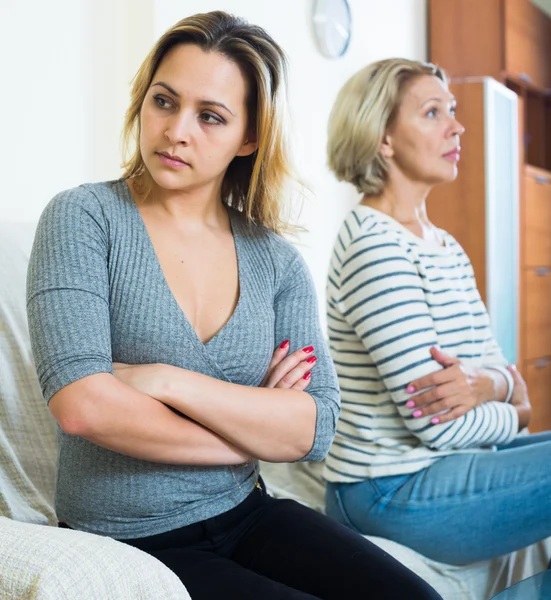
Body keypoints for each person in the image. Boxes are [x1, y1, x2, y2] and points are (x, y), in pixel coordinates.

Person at [26, 14, 442, 600]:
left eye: (210, 116)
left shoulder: (276, 260)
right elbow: (83, 406)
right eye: (164, 102)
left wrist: (167, 381)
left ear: (249, 137)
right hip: (126, 536)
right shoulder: (83, 218)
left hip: (246, 513)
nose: (176, 131)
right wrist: (253, 429)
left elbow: (314, 426)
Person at [323, 57, 551, 566]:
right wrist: (511, 408)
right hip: (386, 491)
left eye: (451, 110)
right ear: (383, 136)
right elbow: (438, 426)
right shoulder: (372, 246)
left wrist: (491, 388)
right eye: (432, 113)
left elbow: (511, 383)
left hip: (450, 465)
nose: (457, 125)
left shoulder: (444, 246)